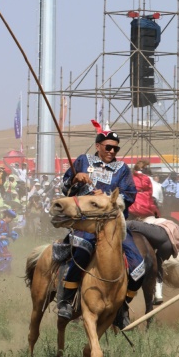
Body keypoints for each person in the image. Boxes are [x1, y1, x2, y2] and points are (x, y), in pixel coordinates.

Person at [56, 120, 145, 329]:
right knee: (83, 250)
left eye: (115, 148)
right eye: (108, 147)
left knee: (139, 265)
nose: (112, 151)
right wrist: (75, 180)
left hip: (113, 222)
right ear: (98, 146)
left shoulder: (122, 169)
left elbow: (129, 194)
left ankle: (122, 306)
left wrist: (106, 197)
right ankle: (66, 300)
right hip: (86, 220)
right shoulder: (82, 161)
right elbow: (64, 187)